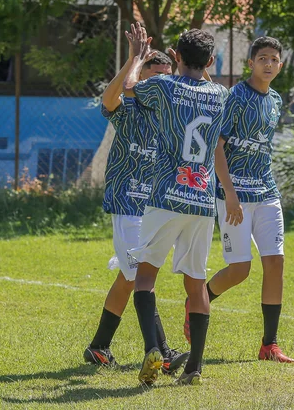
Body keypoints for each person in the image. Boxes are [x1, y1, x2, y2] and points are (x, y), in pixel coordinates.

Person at [123, 27, 242, 385]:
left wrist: (138, 58)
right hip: (202, 200)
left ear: (175, 57)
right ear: (209, 62)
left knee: (145, 275)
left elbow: (130, 88)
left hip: (164, 194)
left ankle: (151, 350)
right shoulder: (221, 94)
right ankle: (194, 368)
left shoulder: (164, 86)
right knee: (196, 284)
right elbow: (205, 81)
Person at [83, 23, 189, 376]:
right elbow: (108, 100)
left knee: (130, 279)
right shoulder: (130, 109)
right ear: (140, 78)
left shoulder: (170, 117)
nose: (162, 84)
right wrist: (133, 59)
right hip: (128, 203)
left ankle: (99, 347)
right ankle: (162, 350)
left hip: (157, 206)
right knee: (140, 275)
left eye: (167, 77)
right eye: (154, 75)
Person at [184, 36, 294, 364]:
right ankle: (197, 302)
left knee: (275, 262)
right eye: (262, 58)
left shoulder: (275, 99)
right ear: (250, 63)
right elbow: (216, 146)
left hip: (266, 191)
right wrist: (229, 192)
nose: (269, 64)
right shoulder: (235, 97)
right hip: (234, 194)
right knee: (240, 269)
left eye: (274, 59)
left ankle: (269, 345)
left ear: (280, 65)